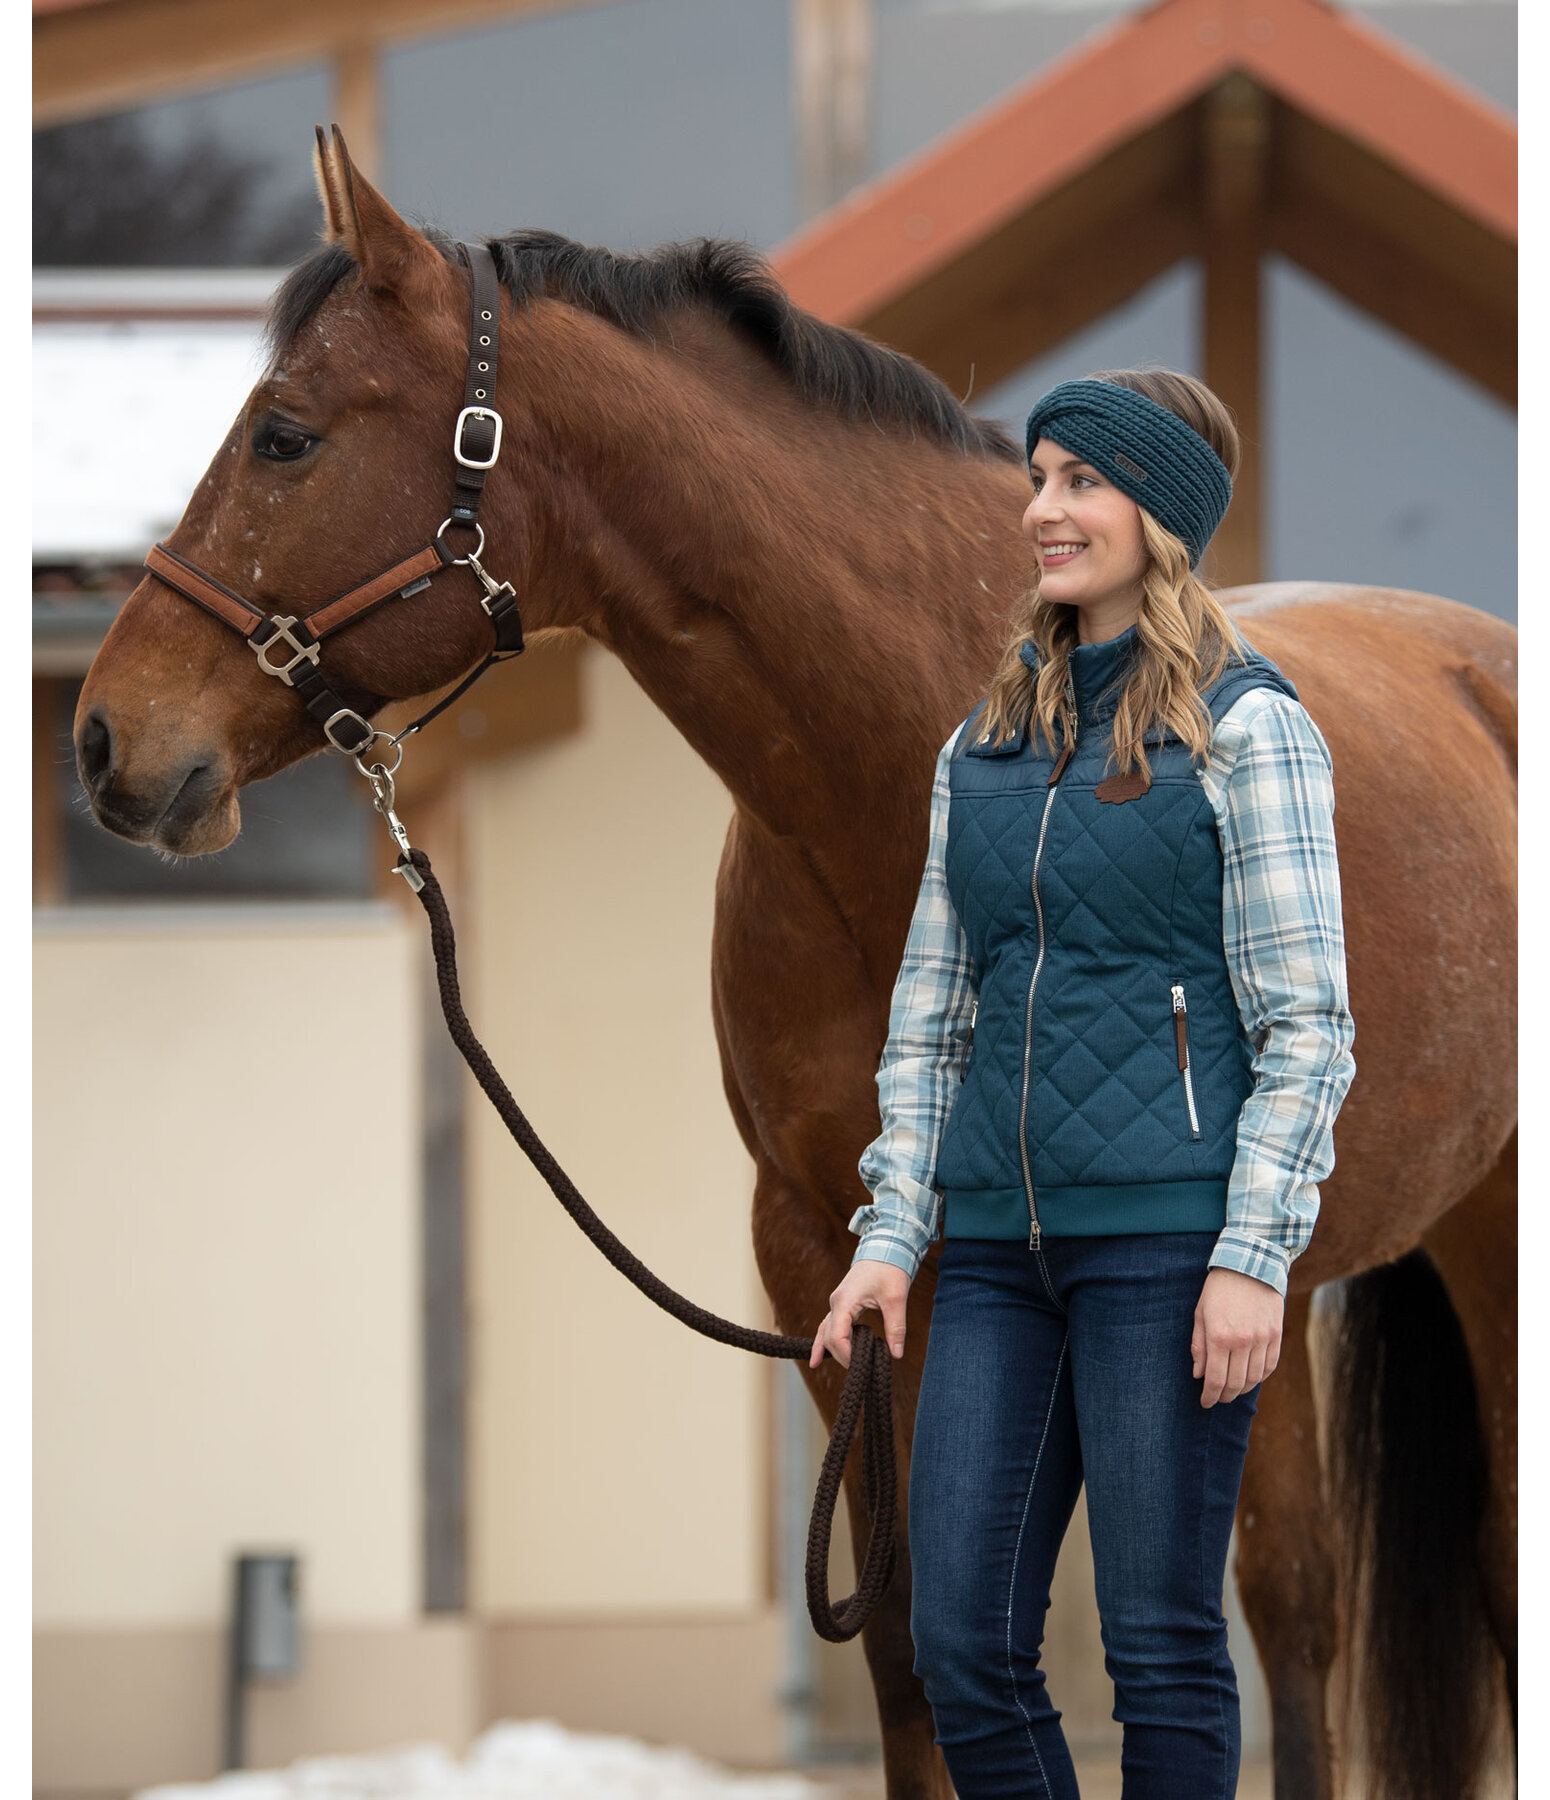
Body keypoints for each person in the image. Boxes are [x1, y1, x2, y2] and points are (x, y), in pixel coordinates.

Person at [809, 370, 1357, 1798]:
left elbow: (1307, 1026)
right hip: (992, 1252)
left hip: (1170, 1252)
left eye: (1078, 482)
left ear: (1158, 513)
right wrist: (887, 1241)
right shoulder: (980, 747)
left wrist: (1251, 1258)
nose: (1040, 509)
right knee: (962, 1643)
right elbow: (932, 1017)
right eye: (1037, 477)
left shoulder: (1249, 731)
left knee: (1160, 1645)